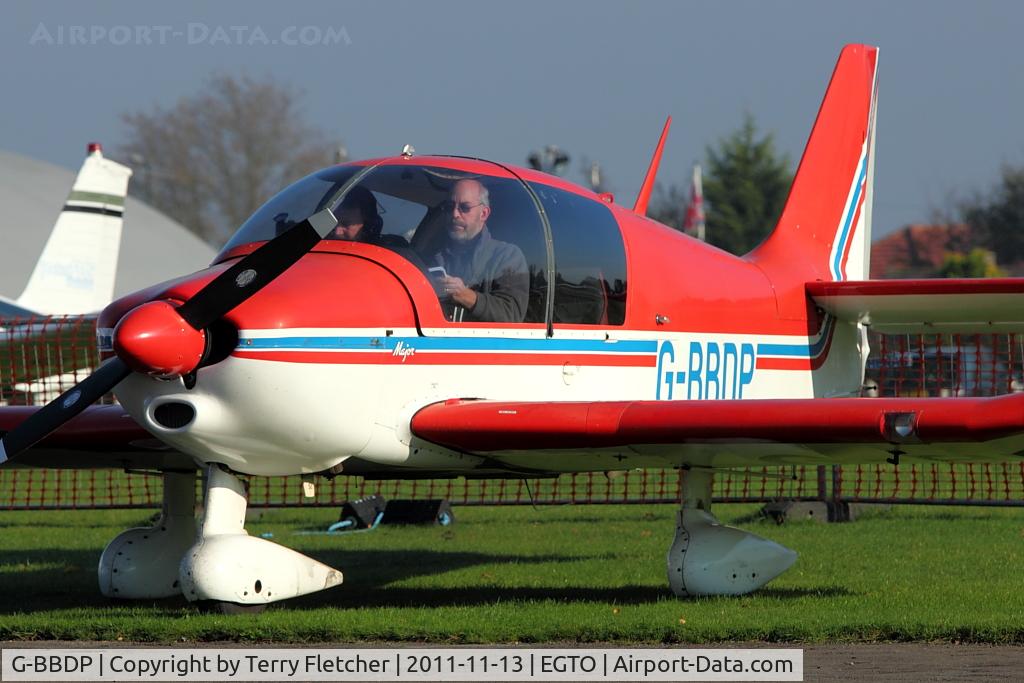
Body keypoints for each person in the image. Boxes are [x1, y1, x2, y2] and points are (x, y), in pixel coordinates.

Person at [431, 178, 529, 323]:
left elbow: (511, 314)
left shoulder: (507, 256)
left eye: (464, 208)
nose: (455, 214)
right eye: (450, 206)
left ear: (483, 214)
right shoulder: (431, 255)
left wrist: (465, 295)